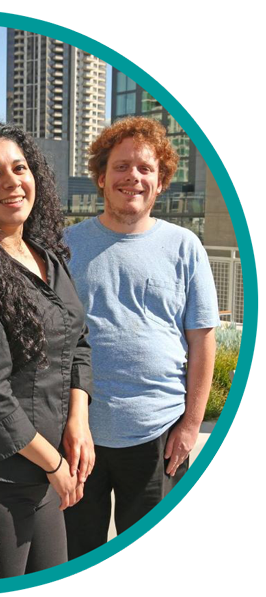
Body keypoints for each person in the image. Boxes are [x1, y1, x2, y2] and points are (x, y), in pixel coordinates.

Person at [63, 116, 220, 581]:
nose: (133, 176)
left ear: (161, 181)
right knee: (74, 566)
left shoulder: (184, 246)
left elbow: (202, 340)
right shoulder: (66, 246)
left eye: (145, 168)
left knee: (151, 571)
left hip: (160, 435)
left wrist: (191, 425)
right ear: (101, 176)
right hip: (77, 436)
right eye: (121, 166)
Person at [0, 122, 94, 578]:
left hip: (49, 466)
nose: (11, 182)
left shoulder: (48, 256)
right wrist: (55, 464)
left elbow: (78, 341)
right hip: (3, 477)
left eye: (19, 168)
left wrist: (78, 421)